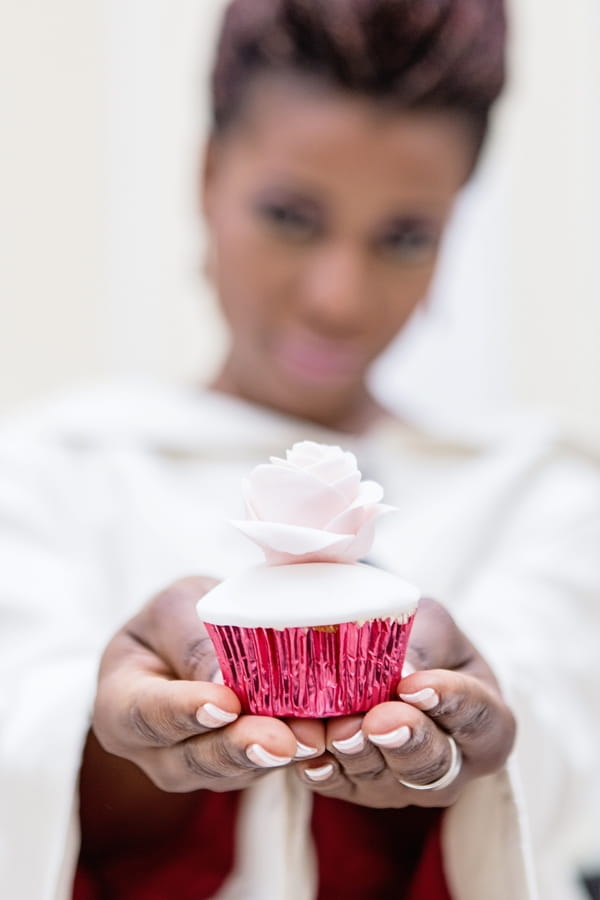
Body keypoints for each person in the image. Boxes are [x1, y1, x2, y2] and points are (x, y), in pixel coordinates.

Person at [1, 1, 599, 898]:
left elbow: (555, 788)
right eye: (291, 215)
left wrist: (469, 736)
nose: (338, 298)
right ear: (207, 178)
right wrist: (111, 735)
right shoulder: (47, 472)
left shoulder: (540, 493)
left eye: (403, 237)